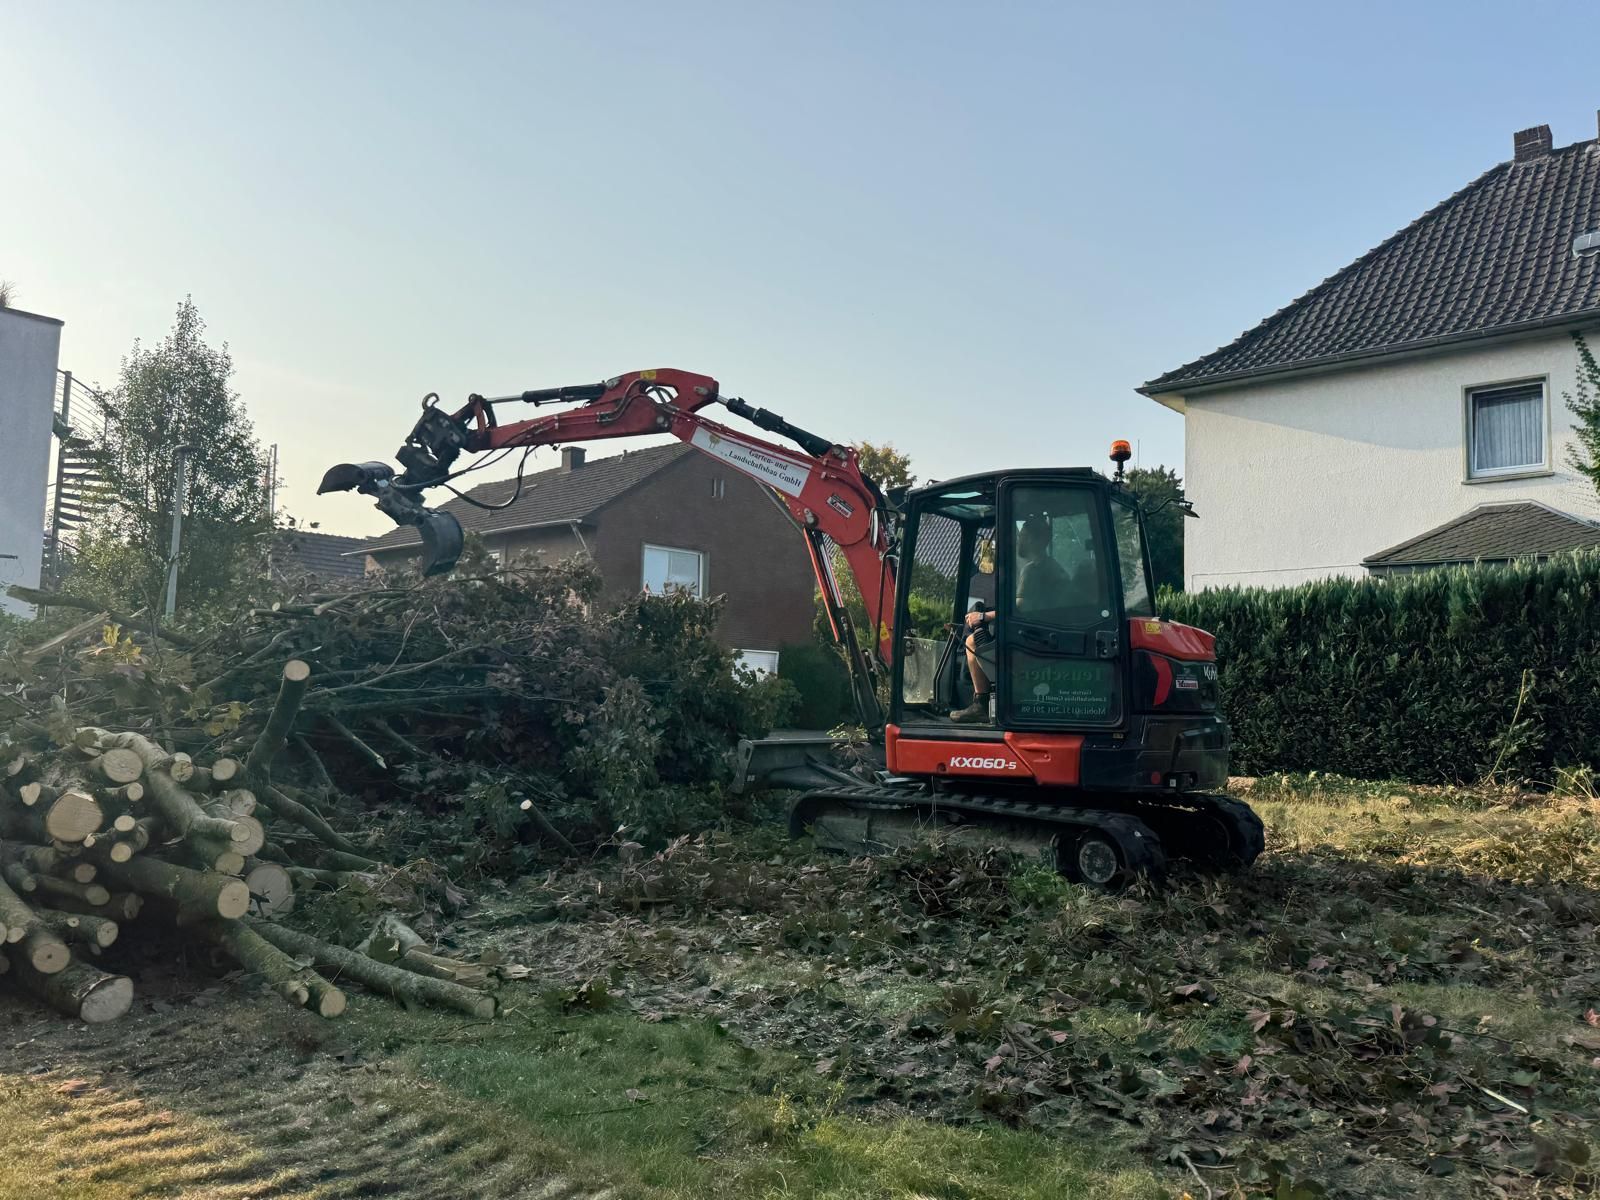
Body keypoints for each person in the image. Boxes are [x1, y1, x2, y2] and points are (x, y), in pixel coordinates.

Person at [949, 517, 1069, 723]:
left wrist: (984, 616)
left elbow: (1021, 606)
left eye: (1022, 536)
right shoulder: (1053, 567)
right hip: (1046, 635)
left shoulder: (1033, 570)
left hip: (1033, 642)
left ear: (1036, 540)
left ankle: (981, 704)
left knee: (971, 642)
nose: (1018, 541)